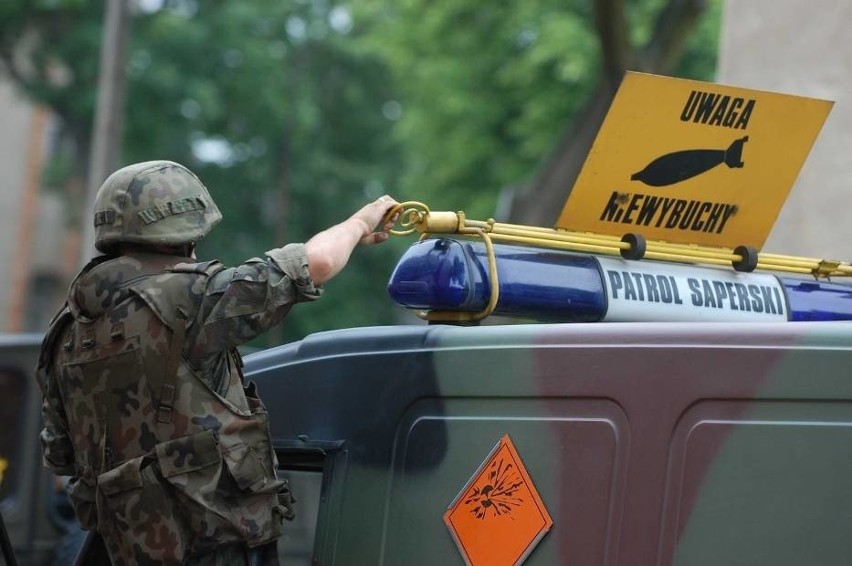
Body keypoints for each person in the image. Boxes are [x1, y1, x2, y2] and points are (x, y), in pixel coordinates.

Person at [35, 160, 399, 565]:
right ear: (187, 229)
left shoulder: (66, 331)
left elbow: (60, 456)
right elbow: (315, 264)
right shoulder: (187, 299)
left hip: (121, 549)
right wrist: (360, 223)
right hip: (212, 545)